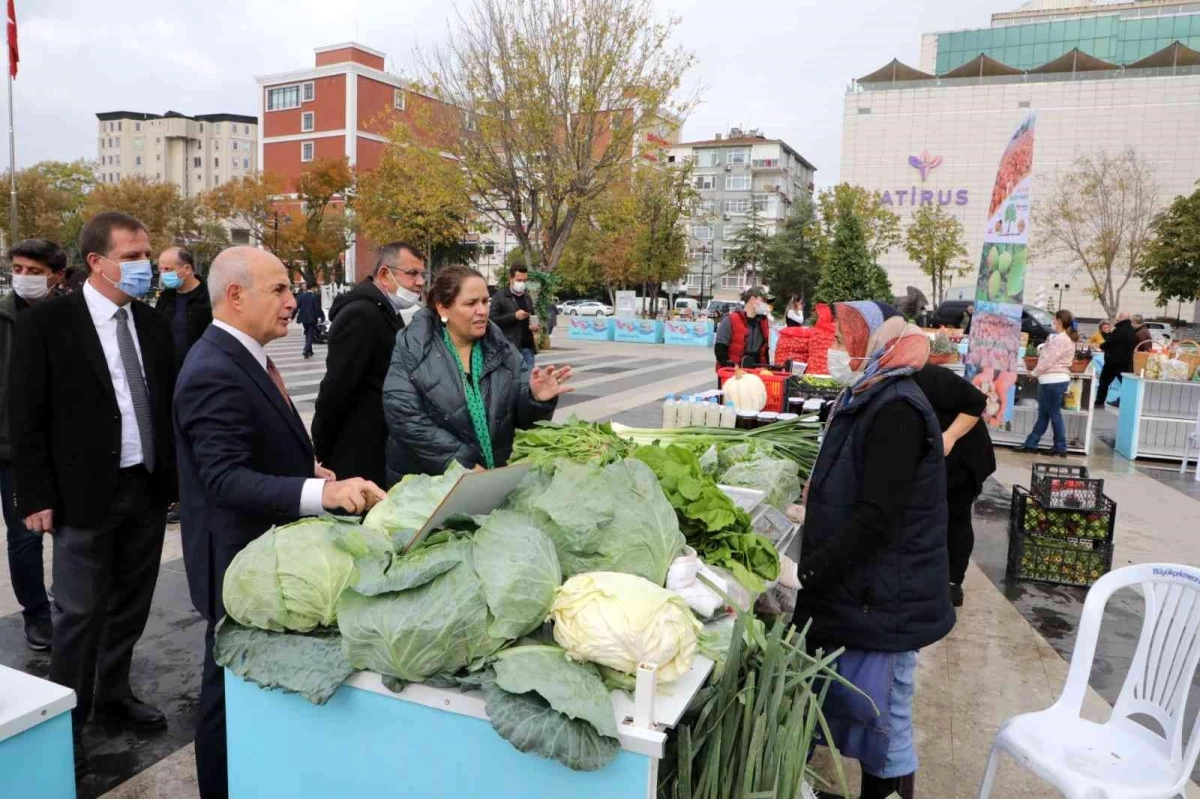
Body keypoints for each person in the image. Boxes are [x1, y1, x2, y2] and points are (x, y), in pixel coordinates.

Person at [174, 246, 386, 799]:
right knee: (223, 690)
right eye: (280, 291)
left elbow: (251, 450)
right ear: (236, 295)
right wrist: (323, 492)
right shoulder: (213, 368)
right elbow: (223, 479)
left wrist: (303, 468)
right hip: (236, 558)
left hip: (265, 550)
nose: (295, 303)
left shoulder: (243, 357)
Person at [11, 212, 178, 753]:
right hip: (82, 492)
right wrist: (34, 495)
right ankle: (68, 712)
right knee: (80, 613)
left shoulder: (151, 324)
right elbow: (26, 415)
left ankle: (114, 691)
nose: (143, 266)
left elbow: (164, 403)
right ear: (96, 262)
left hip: (145, 485)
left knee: (131, 603)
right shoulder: (49, 324)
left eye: (145, 255)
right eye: (131, 257)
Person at [794, 301, 953, 799]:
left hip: (886, 596)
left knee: (884, 723)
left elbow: (878, 516)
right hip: (866, 589)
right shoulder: (868, 393)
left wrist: (805, 573)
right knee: (863, 711)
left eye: (847, 340)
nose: (839, 350)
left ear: (876, 343)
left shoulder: (897, 408)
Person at [383, 265, 573, 484]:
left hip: (491, 481)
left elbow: (521, 419)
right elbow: (405, 418)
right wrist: (464, 464)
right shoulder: (413, 346)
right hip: (430, 487)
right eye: (471, 303)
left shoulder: (502, 348)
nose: (482, 311)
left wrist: (535, 399)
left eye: (485, 301)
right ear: (443, 308)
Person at [1, 239, 68, 651]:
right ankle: (36, 615)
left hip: (64, 445)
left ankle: (69, 601)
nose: (23, 277)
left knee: (71, 531)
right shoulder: (4, 317)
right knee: (25, 536)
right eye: (18, 268)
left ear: (57, 276)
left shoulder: (68, 317)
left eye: (34, 271)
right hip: (11, 451)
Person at [312, 243, 422, 487]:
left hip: (378, 442)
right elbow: (336, 389)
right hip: (357, 449)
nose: (420, 281)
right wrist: (322, 448)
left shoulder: (385, 310)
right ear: (384, 275)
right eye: (412, 273)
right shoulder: (361, 314)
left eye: (422, 274)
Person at [911, 363, 996, 607]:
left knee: (956, 517)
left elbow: (977, 401)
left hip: (965, 456)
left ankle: (952, 582)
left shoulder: (929, 374)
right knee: (933, 516)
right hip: (938, 459)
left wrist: (950, 436)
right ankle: (929, 574)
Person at [1015, 309, 1079, 457]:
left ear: (1059, 322)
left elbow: (1048, 360)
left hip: (1052, 380)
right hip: (1054, 380)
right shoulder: (1063, 338)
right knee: (1045, 414)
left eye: (1054, 320)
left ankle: (1060, 447)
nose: (1052, 323)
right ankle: (1032, 443)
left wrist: (1034, 373)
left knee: (1053, 414)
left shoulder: (1061, 339)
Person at [155, 246, 212, 369]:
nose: (163, 274)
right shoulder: (165, 299)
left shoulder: (210, 298)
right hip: (169, 372)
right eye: (161, 270)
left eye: (167, 269)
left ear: (187, 269)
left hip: (200, 370)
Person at [490, 264, 537, 369]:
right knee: (513, 382)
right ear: (510, 278)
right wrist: (514, 316)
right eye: (519, 280)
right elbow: (492, 320)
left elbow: (531, 315)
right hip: (510, 347)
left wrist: (533, 325)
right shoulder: (500, 296)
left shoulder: (527, 296)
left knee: (529, 382)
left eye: (525, 281)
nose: (522, 283)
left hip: (528, 347)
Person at [714, 286, 772, 368]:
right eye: (763, 301)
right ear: (752, 300)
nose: (766, 304)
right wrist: (729, 366)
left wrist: (767, 367)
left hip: (757, 372)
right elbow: (720, 348)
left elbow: (764, 350)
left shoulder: (763, 322)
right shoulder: (730, 319)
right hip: (734, 372)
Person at [1098, 312, 1135, 408]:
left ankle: (1099, 402)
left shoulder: (1119, 330)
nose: (1117, 318)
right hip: (1126, 361)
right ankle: (1125, 401)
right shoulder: (1131, 330)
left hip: (1113, 361)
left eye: (1119, 317)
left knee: (1104, 382)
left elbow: (1110, 343)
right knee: (1126, 383)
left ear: (1123, 318)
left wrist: (1102, 346)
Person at [295, 283, 324, 359]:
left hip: (304, 318)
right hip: (312, 318)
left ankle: (309, 351)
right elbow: (317, 308)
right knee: (310, 334)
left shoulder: (302, 296)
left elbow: (297, 307)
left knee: (308, 333)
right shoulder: (314, 297)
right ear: (312, 288)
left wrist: (291, 316)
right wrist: (320, 317)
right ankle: (306, 349)